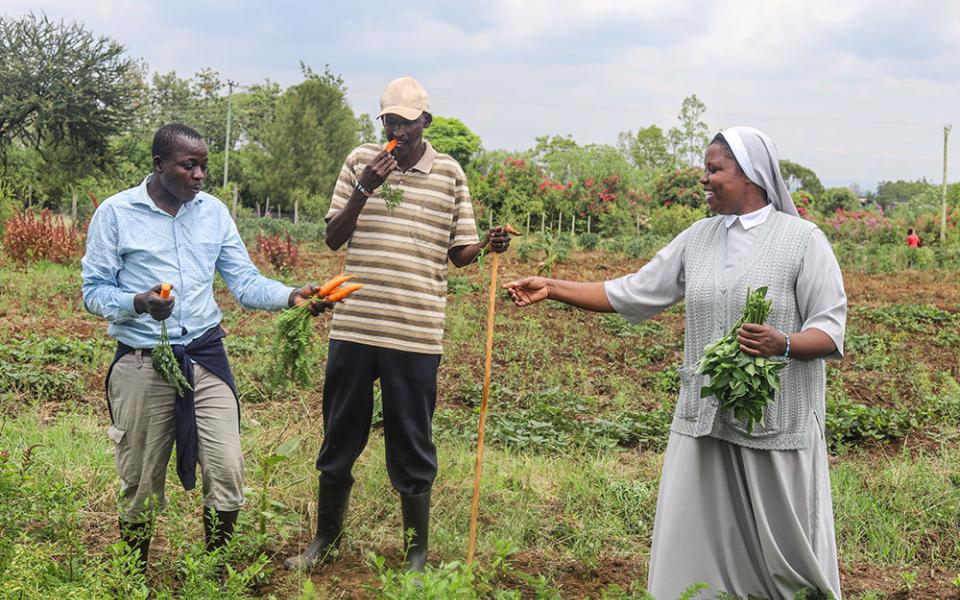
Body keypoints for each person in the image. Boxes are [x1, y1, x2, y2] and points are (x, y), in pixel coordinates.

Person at [506, 127, 847, 599]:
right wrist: (553, 287)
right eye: (704, 170)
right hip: (705, 418)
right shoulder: (699, 238)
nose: (704, 181)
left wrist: (782, 343)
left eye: (714, 170)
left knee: (785, 553)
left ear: (750, 175)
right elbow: (633, 290)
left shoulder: (803, 241)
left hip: (776, 421)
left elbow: (830, 331)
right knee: (698, 541)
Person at [284, 77, 512, 573]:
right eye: (390, 120)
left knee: (411, 441)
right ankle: (326, 539)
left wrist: (486, 245)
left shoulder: (450, 174)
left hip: (415, 331)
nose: (397, 130)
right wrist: (366, 187)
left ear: (424, 122)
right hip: (356, 325)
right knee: (339, 436)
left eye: (407, 122)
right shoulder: (358, 162)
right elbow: (332, 238)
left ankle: (416, 553)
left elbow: (459, 254)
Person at [81, 123, 329, 574]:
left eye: (203, 166)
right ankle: (134, 575)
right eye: (188, 165)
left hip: (204, 356)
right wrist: (138, 303)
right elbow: (93, 292)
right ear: (159, 166)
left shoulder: (213, 213)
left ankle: (215, 571)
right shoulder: (117, 214)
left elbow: (245, 281)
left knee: (227, 468)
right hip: (142, 360)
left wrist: (292, 295)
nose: (199, 176)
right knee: (139, 478)